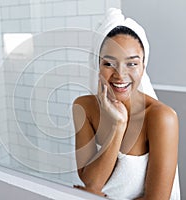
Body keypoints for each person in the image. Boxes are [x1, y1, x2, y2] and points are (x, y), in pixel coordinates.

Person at [72, 8, 180, 200]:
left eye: (131, 63)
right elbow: (92, 182)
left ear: (143, 67)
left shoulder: (161, 118)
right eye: (109, 63)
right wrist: (118, 126)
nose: (120, 75)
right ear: (97, 65)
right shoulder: (83, 108)